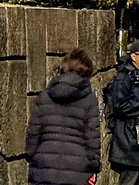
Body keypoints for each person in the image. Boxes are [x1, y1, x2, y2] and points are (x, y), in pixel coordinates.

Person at [27, 49, 102, 185]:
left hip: (44, 167)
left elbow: (33, 135)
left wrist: (32, 157)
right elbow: (92, 138)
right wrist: (94, 167)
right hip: (77, 169)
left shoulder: (43, 96)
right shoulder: (89, 99)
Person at [105, 39, 139, 185]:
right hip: (128, 139)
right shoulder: (123, 78)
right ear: (134, 57)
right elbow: (118, 106)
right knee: (130, 178)